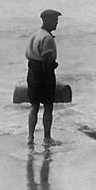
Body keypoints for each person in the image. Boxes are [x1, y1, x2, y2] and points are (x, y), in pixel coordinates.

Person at [25, 9, 62, 145]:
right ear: (47, 21)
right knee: (48, 106)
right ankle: (47, 138)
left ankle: (30, 137)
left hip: (32, 73)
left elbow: (29, 55)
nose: (56, 23)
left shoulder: (35, 35)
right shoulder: (47, 38)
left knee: (34, 106)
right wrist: (51, 75)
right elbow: (47, 61)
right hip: (43, 74)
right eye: (55, 21)